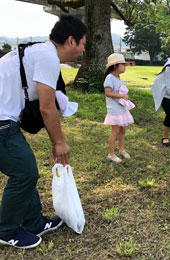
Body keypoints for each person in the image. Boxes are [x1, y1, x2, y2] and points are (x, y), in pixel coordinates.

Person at [0, 15, 87, 249]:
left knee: (26, 170)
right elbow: (47, 107)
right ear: (71, 41)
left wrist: (54, 141)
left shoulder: (38, 51)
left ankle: (34, 222)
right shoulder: (48, 57)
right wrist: (60, 143)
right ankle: (6, 230)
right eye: (82, 45)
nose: (82, 51)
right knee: (25, 173)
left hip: (5, 121)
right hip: (1, 123)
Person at [103, 53, 134, 163]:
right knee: (115, 132)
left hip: (121, 109)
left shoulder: (119, 79)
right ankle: (111, 154)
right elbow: (108, 93)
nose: (125, 67)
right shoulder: (110, 78)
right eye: (123, 65)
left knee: (122, 130)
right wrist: (122, 96)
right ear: (115, 65)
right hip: (115, 110)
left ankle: (121, 149)